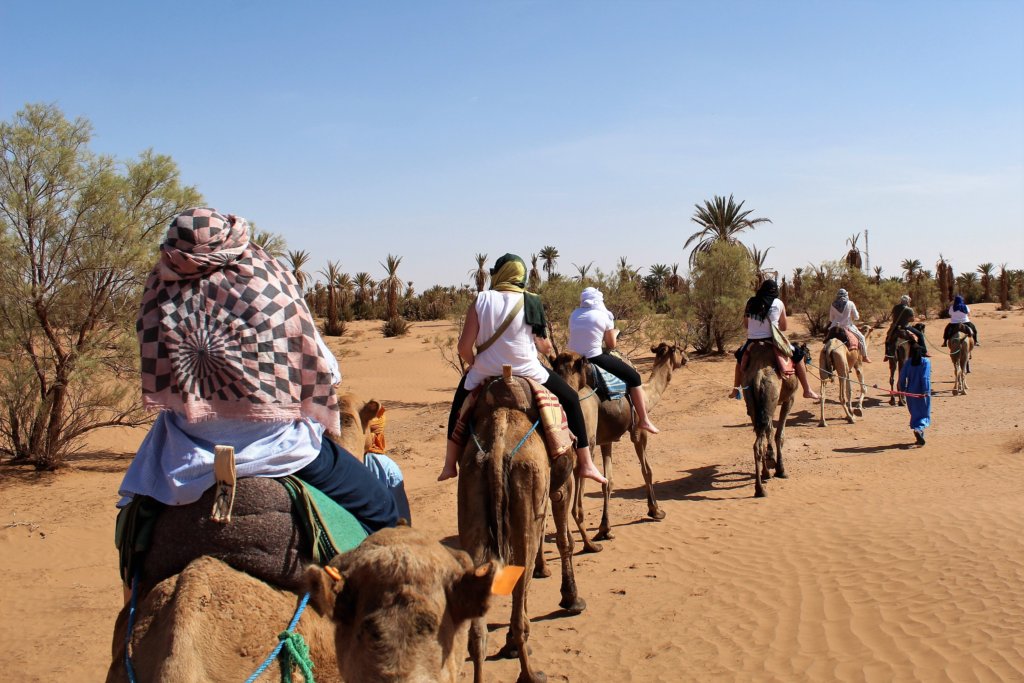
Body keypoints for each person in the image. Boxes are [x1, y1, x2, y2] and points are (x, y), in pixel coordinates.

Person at [118, 208, 398, 534]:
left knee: (130, 527)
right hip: (279, 450)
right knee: (384, 511)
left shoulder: (160, 291)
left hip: (184, 458)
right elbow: (326, 372)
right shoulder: (266, 284)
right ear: (232, 242)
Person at [438, 254, 606, 485]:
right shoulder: (532, 301)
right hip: (528, 369)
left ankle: (449, 465)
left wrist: (475, 364)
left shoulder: (481, 300)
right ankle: (586, 463)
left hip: (485, 369)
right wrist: (547, 349)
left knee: (458, 404)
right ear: (521, 276)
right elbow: (543, 343)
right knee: (570, 398)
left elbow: (463, 347)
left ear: (497, 274)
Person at [567, 287, 659, 433]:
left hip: (570, 359)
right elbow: (611, 345)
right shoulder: (604, 316)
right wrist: (615, 333)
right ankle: (644, 419)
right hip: (593, 357)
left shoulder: (573, 314)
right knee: (634, 377)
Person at [729, 280, 820, 401]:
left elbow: (746, 325)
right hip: (772, 341)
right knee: (798, 356)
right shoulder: (778, 303)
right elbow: (784, 327)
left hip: (752, 342)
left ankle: (736, 389)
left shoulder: (750, 302)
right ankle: (807, 390)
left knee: (740, 358)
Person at [898, 326, 931, 446]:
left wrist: (902, 389)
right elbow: (925, 378)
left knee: (915, 413)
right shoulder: (925, 362)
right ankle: (919, 429)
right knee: (923, 413)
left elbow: (902, 377)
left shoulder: (907, 363)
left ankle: (919, 432)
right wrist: (925, 391)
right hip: (922, 392)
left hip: (910, 393)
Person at [827, 288, 872, 362]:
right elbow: (856, 317)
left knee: (827, 341)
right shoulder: (850, 303)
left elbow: (831, 319)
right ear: (846, 295)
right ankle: (865, 356)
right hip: (847, 326)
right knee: (861, 338)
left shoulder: (833, 304)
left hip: (834, 326)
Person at [884, 294, 916, 360]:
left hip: (895, 327)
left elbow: (893, 316)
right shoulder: (909, 309)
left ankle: (887, 354)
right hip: (905, 327)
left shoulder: (895, 307)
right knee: (920, 335)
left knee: (888, 339)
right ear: (907, 301)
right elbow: (912, 319)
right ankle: (919, 353)